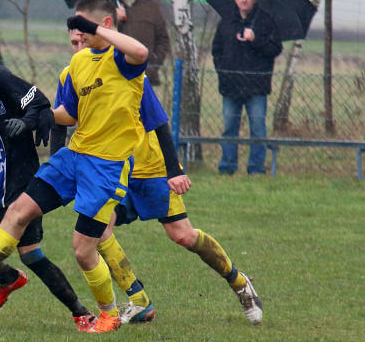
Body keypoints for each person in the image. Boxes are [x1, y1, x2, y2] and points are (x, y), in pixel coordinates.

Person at [0, 0, 149, 333]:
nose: (76, 35)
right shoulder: (77, 65)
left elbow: (141, 52)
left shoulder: (122, 61)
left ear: (103, 25)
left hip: (106, 166)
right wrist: (38, 118)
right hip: (74, 157)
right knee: (18, 212)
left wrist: (29, 117)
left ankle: (108, 314)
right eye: (74, 29)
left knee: (83, 250)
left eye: (82, 28)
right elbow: (68, 114)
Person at [58, 26, 263, 325]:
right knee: (99, 229)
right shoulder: (72, 73)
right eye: (74, 42)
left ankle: (239, 282)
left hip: (149, 166)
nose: (78, 47)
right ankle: (138, 299)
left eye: (83, 40)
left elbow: (159, 122)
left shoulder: (126, 69)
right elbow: (68, 118)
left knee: (182, 235)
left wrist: (174, 170)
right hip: (111, 168)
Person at [212, 0, 282, 175]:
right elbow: (216, 50)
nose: (244, 0)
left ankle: (256, 168)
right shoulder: (226, 21)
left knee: (258, 129)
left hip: (257, 86)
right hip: (230, 86)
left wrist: (255, 40)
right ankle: (227, 167)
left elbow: (275, 49)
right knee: (229, 128)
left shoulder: (266, 21)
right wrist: (223, 72)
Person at [116, 0, 171, 86]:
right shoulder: (111, 8)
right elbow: (106, 38)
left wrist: (155, 62)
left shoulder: (151, 7)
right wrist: (117, 20)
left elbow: (163, 39)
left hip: (146, 72)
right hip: (119, 73)